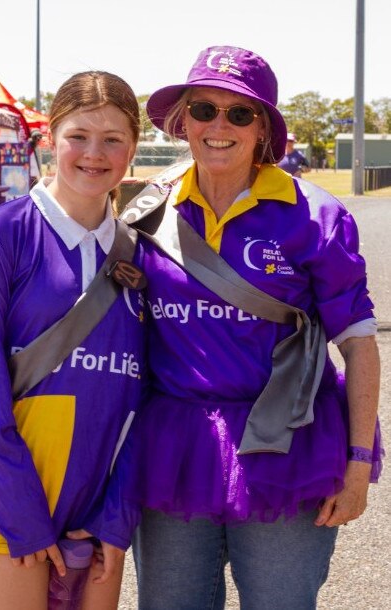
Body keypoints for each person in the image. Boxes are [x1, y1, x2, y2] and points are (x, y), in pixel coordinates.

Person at [87, 46, 383, 610]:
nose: (218, 126)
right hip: (174, 446)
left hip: (287, 448)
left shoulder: (316, 217)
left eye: (239, 114)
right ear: (183, 121)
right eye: (203, 109)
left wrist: (358, 462)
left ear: (263, 129)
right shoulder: (146, 212)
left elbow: (361, 347)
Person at [0, 70, 146, 610]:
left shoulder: (141, 255)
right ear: (50, 138)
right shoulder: (1, 234)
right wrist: (25, 517)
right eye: (78, 135)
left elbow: (146, 397)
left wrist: (116, 514)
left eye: (113, 140)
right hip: (9, 490)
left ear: (133, 149)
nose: (93, 153)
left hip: (98, 490)